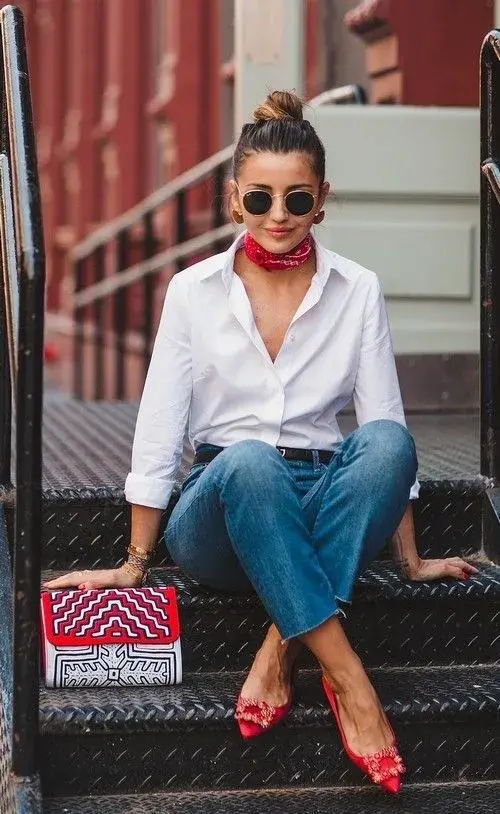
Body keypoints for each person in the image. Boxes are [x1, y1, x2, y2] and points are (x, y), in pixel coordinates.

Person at [44, 90, 478, 795]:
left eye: (297, 198)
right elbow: (160, 429)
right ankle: (350, 679)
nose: (278, 216)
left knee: (391, 444)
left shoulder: (358, 289)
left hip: (318, 494)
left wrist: (411, 555)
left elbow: (383, 424)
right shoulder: (192, 292)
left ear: (323, 199)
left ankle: (282, 646)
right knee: (250, 460)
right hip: (221, 507)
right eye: (259, 199)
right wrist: (133, 562)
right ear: (232, 199)